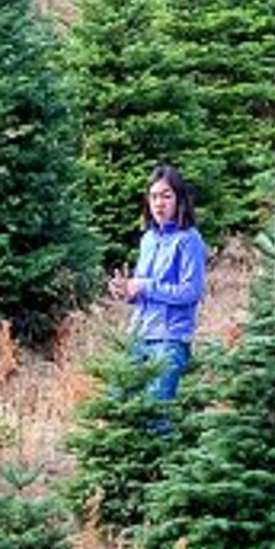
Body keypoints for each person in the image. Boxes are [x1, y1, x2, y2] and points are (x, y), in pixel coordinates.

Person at [109, 164, 208, 409]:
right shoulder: (148, 239)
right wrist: (127, 291)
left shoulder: (189, 239)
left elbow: (191, 292)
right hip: (138, 335)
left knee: (157, 416)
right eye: (153, 196)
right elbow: (142, 291)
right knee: (119, 406)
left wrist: (144, 286)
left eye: (166, 196)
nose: (159, 203)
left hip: (169, 339)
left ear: (179, 200)